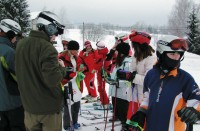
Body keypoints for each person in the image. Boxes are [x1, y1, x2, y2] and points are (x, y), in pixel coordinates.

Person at [128, 35, 200, 131]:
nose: (176, 58)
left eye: (179, 54)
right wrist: (142, 112)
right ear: (161, 54)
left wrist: (195, 112)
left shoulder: (185, 79)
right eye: (172, 54)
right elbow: (147, 98)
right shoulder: (151, 75)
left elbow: (197, 102)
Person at [15, 11, 66, 131]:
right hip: (48, 109)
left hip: (29, 107)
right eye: (55, 32)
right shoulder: (47, 48)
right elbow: (53, 80)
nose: (55, 36)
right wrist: (62, 68)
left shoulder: (21, 44)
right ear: (48, 27)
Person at [116, 31, 157, 120]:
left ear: (140, 45)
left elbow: (149, 79)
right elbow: (132, 71)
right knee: (132, 117)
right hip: (134, 94)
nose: (132, 47)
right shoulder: (136, 55)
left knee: (141, 120)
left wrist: (132, 77)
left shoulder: (151, 58)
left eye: (134, 44)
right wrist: (126, 75)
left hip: (144, 96)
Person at [0, 19, 26, 131]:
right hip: (13, 103)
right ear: (10, 33)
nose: (16, 39)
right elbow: (20, 77)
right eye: (15, 35)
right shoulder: (8, 52)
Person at [104, 42, 132, 130]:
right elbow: (116, 74)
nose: (115, 53)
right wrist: (109, 78)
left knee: (123, 111)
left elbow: (130, 81)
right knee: (117, 108)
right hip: (115, 91)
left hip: (123, 93)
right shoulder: (119, 61)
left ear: (122, 53)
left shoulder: (127, 63)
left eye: (117, 51)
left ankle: (125, 126)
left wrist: (118, 83)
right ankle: (118, 117)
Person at [58, 40, 84, 130]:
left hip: (75, 83)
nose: (77, 52)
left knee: (76, 103)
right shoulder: (62, 57)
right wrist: (72, 74)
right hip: (66, 84)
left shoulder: (75, 57)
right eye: (76, 50)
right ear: (71, 50)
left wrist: (80, 71)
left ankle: (75, 122)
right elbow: (62, 72)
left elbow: (78, 67)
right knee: (68, 104)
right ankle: (67, 125)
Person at [94, 41, 110, 108]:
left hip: (102, 74)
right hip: (100, 73)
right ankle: (102, 101)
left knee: (101, 88)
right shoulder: (101, 53)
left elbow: (104, 65)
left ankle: (105, 103)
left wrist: (105, 73)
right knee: (100, 88)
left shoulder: (102, 54)